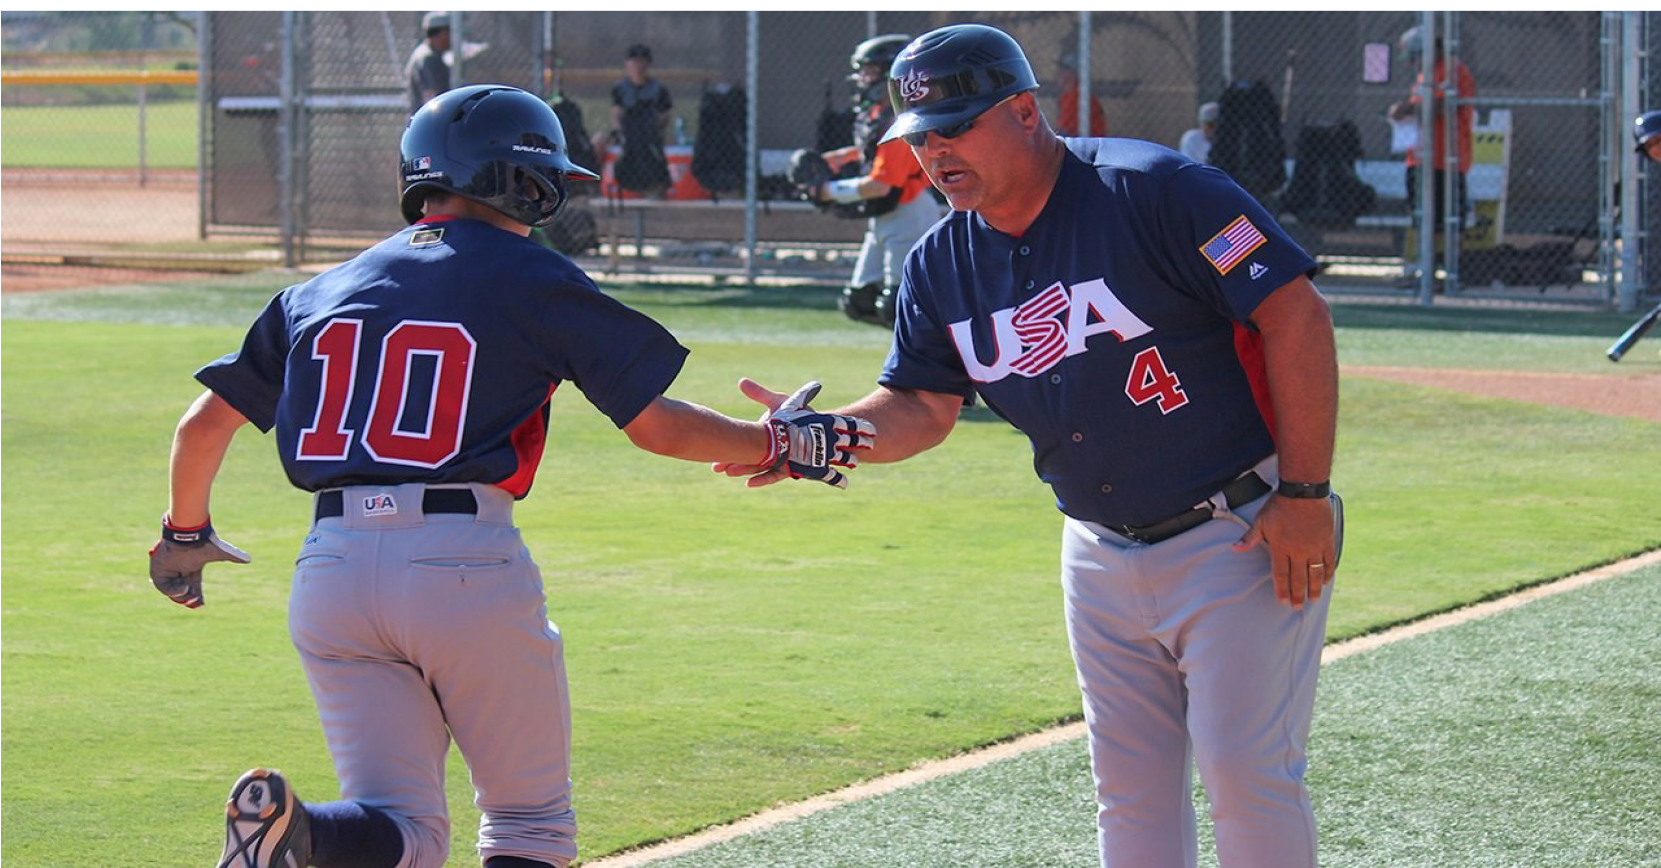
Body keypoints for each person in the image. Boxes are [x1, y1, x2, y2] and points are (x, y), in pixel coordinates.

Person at [148, 85, 873, 868]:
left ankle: (312, 839)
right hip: (461, 561)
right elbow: (655, 424)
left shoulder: (316, 291)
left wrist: (184, 537)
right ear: (527, 181)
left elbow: (203, 426)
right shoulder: (531, 275)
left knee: (401, 826)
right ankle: (314, 840)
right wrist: (775, 444)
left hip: (329, 572)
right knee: (528, 825)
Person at [719, 24, 1342, 868]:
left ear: (1022, 111)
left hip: (1238, 527)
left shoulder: (1157, 190)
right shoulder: (942, 260)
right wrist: (826, 436)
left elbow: (1293, 311)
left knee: (1246, 776)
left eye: (957, 126)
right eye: (921, 136)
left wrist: (1304, 495)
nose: (936, 152)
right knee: (1128, 793)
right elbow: (922, 403)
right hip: (1093, 548)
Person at [810, 33, 943, 327]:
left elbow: (879, 184)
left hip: (908, 212)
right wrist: (842, 157)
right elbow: (871, 152)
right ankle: (911, 347)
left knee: (895, 304)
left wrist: (826, 190)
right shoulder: (877, 113)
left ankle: (928, 354)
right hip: (885, 214)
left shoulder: (901, 121)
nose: (862, 77)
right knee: (859, 302)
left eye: (869, 70)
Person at [1388, 25, 1474, 236]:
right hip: (1419, 158)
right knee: (1422, 220)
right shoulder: (1424, 76)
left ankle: (1450, 265)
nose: (1414, 63)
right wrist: (1401, 111)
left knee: (1449, 222)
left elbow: (1437, 107)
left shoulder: (1452, 70)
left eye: (1416, 56)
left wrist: (1409, 108)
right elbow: (1419, 107)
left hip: (1446, 159)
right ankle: (1428, 265)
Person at [596, 43, 674, 196]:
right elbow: (616, 114)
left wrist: (649, 126)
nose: (638, 66)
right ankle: (595, 184)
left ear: (648, 64)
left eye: (642, 61)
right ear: (627, 64)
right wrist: (620, 131)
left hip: (648, 132)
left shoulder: (658, 89)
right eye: (634, 62)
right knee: (598, 140)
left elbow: (664, 117)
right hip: (625, 131)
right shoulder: (620, 88)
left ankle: (656, 185)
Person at [405, 10, 452, 114]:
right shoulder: (428, 58)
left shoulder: (425, 53)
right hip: (430, 121)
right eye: (450, 32)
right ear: (443, 33)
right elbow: (431, 96)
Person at [1054, 49, 1108, 138]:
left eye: (1064, 70)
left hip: (1090, 144)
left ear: (1074, 73)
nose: (1059, 73)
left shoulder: (1078, 96)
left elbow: (1066, 131)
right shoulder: (1067, 95)